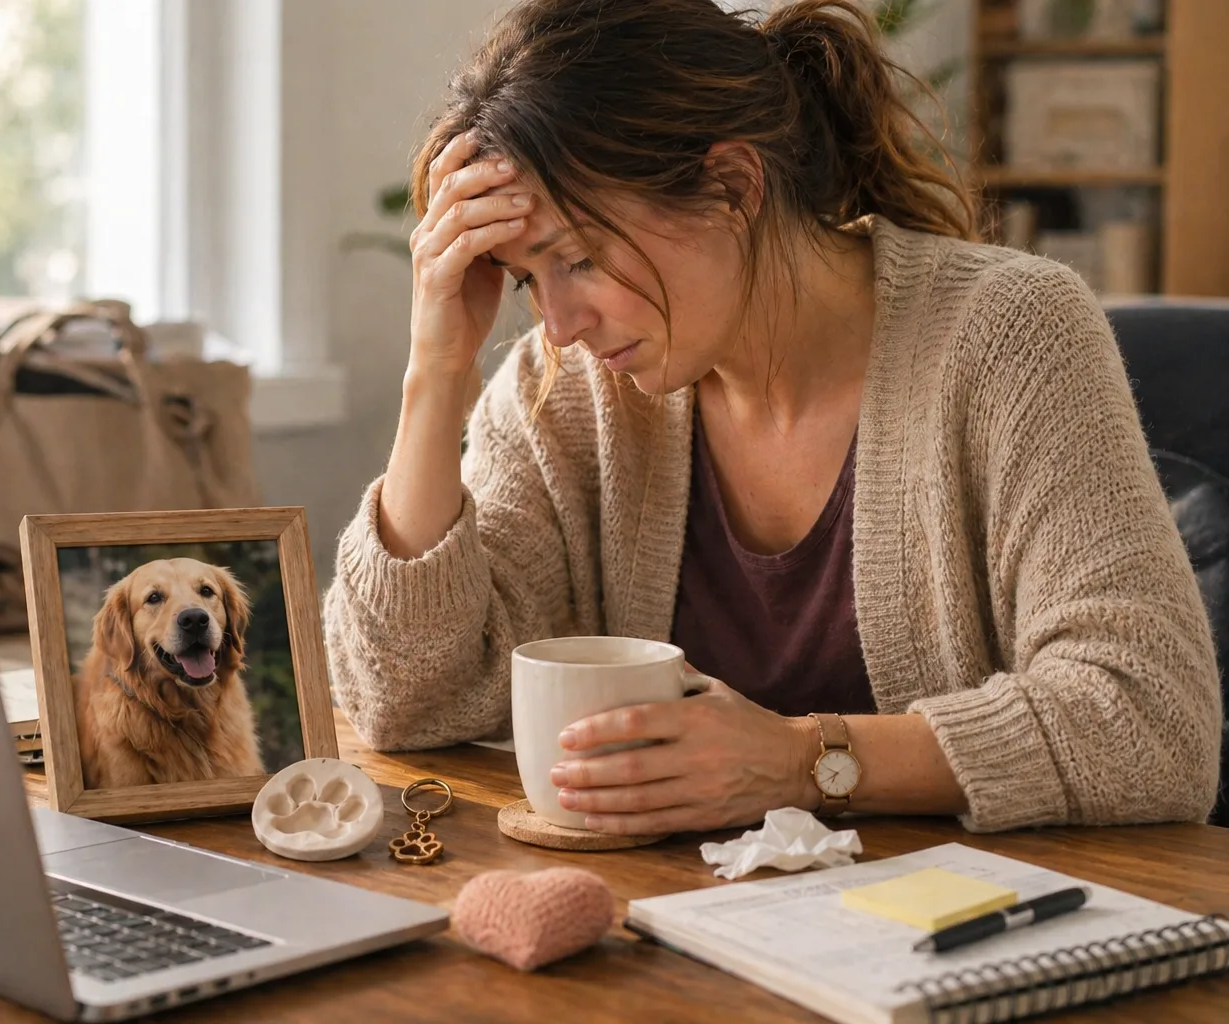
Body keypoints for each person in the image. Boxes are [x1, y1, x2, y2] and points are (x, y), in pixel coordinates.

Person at [322, 0, 1221, 835]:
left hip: (959, 942)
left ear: (733, 185)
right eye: (527, 279)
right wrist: (436, 372)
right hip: (674, 944)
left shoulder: (1008, 333)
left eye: (581, 259)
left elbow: (1148, 721)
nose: (557, 322)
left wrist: (804, 761)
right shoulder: (560, 391)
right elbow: (405, 699)